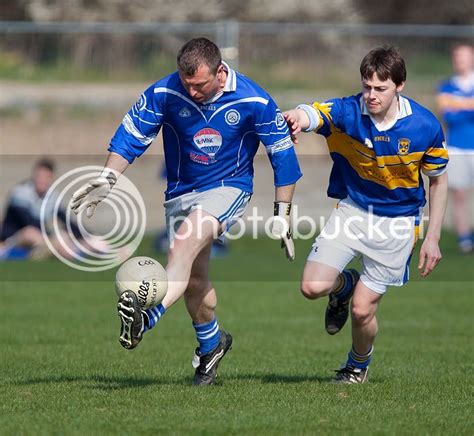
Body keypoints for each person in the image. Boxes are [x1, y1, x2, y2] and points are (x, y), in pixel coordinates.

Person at [70, 37, 302, 386]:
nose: (191, 92)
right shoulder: (164, 92)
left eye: (199, 85)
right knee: (193, 280)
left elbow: (282, 155)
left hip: (229, 188)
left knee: (181, 245)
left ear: (221, 73)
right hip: (180, 192)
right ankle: (212, 345)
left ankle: (144, 320)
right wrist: (107, 180)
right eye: (186, 84)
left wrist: (282, 214)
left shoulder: (255, 100)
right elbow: (131, 136)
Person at [284, 46, 448, 383]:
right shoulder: (348, 112)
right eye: (367, 87)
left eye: (380, 89)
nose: (371, 96)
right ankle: (344, 286)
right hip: (353, 211)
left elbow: (439, 182)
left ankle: (357, 366)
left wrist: (432, 236)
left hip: (399, 224)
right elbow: (313, 112)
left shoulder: (424, 126)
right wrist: (295, 118)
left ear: (399, 85)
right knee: (312, 286)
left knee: (362, 311)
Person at [0, 158, 82, 260]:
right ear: (34, 176)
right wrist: (52, 237)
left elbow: (67, 221)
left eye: (46, 177)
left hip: (39, 239)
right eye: (39, 176)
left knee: (64, 236)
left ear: (51, 179)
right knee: (31, 233)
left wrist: (86, 236)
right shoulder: (20, 193)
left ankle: (52, 251)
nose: (42, 180)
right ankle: (52, 250)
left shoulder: (52, 196)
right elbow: (28, 222)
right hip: (11, 240)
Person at [437, 43, 474, 253]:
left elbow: (455, 109)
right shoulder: (447, 86)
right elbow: (448, 114)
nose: (459, 60)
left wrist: (460, 105)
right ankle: (464, 239)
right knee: (459, 194)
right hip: (457, 147)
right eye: (456, 56)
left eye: (464, 56)